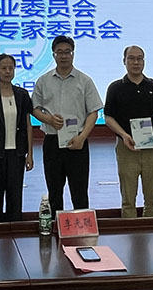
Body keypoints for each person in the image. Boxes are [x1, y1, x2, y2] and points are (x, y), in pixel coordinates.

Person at [31, 36, 102, 213]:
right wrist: (48, 120)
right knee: (54, 191)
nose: (64, 56)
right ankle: (56, 226)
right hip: (52, 142)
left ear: (73, 54)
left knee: (80, 192)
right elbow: (34, 109)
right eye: (59, 52)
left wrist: (82, 137)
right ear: (53, 55)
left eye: (67, 52)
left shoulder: (85, 80)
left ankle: (82, 227)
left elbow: (93, 112)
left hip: (77, 142)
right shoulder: (43, 81)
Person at [104, 45, 153, 218]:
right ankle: (129, 230)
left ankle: (152, 227)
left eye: (139, 58)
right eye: (131, 58)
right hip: (126, 147)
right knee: (128, 199)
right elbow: (109, 117)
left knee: (152, 198)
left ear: (144, 61)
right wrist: (124, 135)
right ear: (124, 61)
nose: (136, 62)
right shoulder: (115, 88)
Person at [0, 54, 34, 222]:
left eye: (11, 68)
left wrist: (30, 154)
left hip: (17, 154)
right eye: (3, 68)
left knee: (15, 196)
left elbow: (28, 125)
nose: (7, 71)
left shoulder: (22, 94)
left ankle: (15, 229)